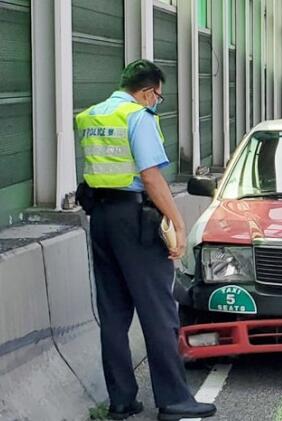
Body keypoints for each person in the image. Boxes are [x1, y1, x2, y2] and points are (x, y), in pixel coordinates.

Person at [75, 60, 216, 420]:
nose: (156, 101)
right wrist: (177, 223)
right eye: (158, 96)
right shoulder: (138, 117)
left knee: (113, 313)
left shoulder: (90, 116)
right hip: (135, 219)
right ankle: (174, 400)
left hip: (101, 218)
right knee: (158, 310)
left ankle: (121, 400)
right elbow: (151, 177)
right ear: (148, 92)